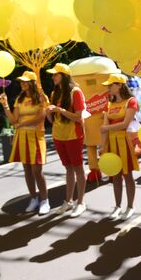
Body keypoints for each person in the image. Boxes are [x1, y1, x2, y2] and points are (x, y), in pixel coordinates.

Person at [0, 71, 50, 215]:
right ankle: (33, 198)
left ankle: (45, 200)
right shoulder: (19, 99)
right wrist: (5, 105)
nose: (22, 83)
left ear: (32, 82)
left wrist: (22, 124)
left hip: (36, 136)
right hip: (22, 136)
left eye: (25, 81)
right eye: (21, 81)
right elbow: (14, 120)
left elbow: (41, 118)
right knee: (27, 170)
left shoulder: (41, 97)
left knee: (36, 171)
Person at [46, 63, 87, 218]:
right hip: (59, 135)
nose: (53, 77)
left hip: (73, 135)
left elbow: (78, 117)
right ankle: (68, 200)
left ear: (63, 76)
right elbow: (52, 120)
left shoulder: (75, 92)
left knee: (78, 168)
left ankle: (81, 202)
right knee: (68, 168)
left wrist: (60, 110)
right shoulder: (54, 93)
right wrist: (47, 112)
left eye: (55, 74)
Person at [100, 73, 139, 220]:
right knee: (115, 176)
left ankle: (130, 207)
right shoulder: (109, 104)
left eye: (111, 85)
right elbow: (104, 126)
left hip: (125, 142)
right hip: (112, 142)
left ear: (120, 85)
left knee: (127, 175)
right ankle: (117, 206)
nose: (108, 88)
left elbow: (125, 124)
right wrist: (102, 147)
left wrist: (106, 129)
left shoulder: (131, 101)